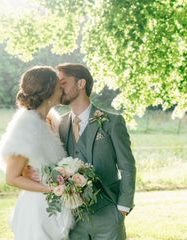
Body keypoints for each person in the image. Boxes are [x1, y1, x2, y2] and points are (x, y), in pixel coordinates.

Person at [57, 63, 136, 240]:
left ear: (81, 83)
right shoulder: (59, 125)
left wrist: (123, 207)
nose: (59, 87)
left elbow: (127, 166)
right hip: (73, 218)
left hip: (109, 213)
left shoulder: (112, 122)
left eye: (63, 82)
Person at [0, 66, 73, 240]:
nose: (62, 88)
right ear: (47, 90)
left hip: (56, 209)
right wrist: (52, 189)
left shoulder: (51, 121)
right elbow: (12, 177)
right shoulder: (26, 128)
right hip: (37, 211)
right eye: (58, 85)